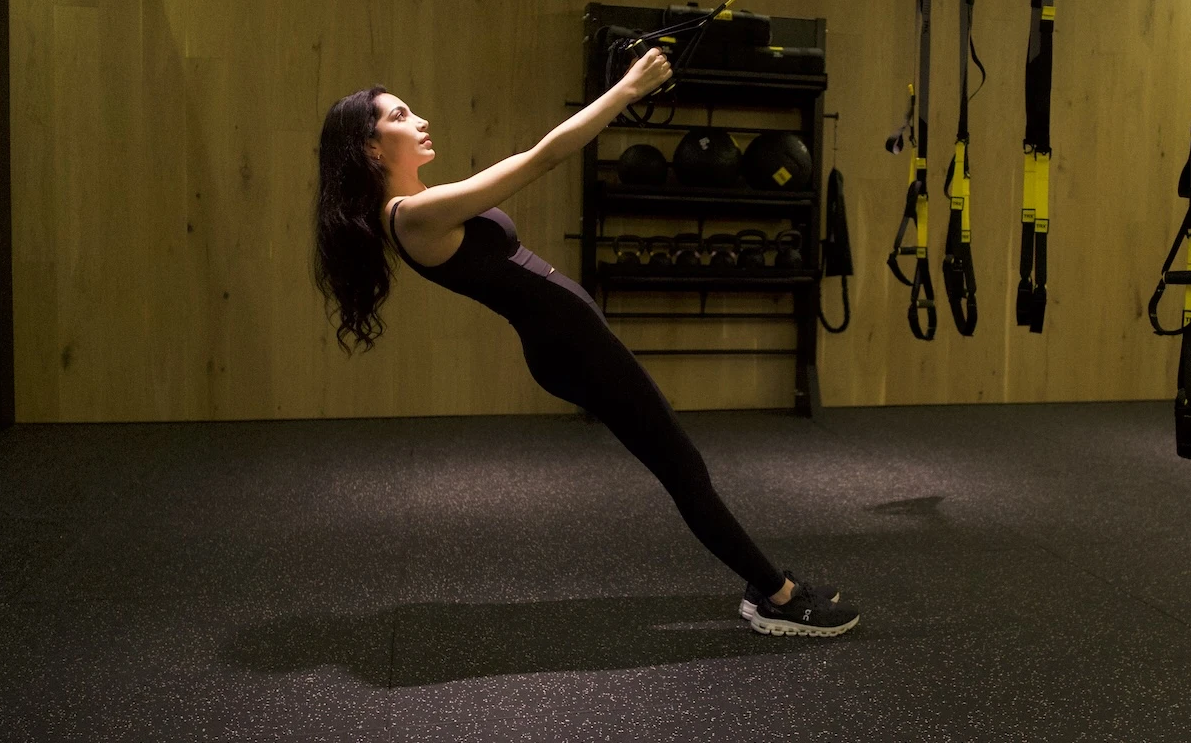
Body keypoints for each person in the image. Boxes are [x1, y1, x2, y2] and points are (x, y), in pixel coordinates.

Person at [312, 48, 856, 638]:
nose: (419, 121)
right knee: (683, 469)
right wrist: (627, 90)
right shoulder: (414, 215)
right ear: (370, 148)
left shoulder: (417, 207)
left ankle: (765, 584)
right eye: (399, 116)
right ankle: (778, 598)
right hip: (571, 347)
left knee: (680, 464)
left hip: (570, 342)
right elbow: (541, 157)